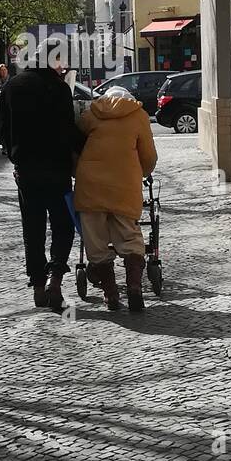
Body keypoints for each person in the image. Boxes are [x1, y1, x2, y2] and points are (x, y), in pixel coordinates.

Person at [1, 53, 83, 309]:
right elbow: (69, 129)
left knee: (32, 229)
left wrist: (12, 151)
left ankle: (38, 285)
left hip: (26, 169)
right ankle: (55, 278)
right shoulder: (59, 88)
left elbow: (1, 126)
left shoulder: (12, 86)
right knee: (62, 225)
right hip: (57, 168)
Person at [74, 85, 157, 312]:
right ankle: (134, 287)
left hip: (90, 185)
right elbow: (148, 156)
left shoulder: (91, 113)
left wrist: (77, 170)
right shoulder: (138, 115)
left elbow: (76, 142)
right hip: (124, 186)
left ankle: (110, 295)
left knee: (96, 242)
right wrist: (140, 173)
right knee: (129, 237)